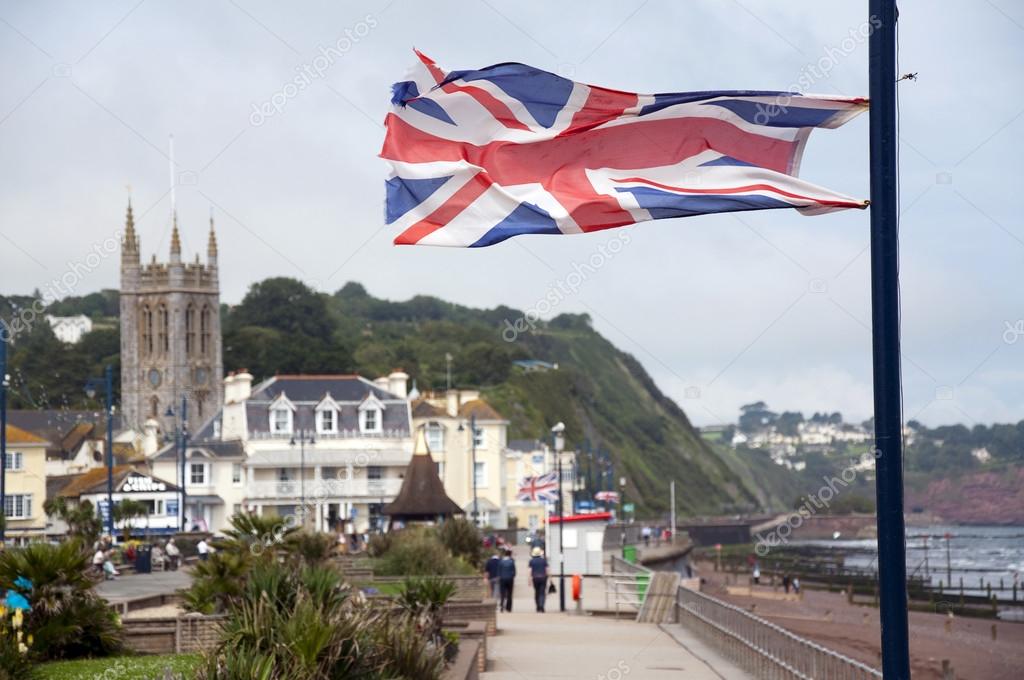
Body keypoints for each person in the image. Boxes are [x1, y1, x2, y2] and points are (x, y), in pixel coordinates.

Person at [528, 547, 549, 613]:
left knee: (537, 592)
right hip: (543, 578)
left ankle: (538, 606)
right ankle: (541, 606)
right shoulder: (544, 560)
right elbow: (547, 570)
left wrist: (529, 580)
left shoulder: (531, 561)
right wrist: (550, 578)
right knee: (542, 592)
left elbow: (530, 571)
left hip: (535, 578)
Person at [498, 547, 516, 613]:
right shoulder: (511, 562)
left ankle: (502, 605)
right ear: (510, 554)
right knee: (509, 593)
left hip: (502, 579)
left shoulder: (501, 562)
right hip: (510, 579)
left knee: (502, 593)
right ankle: (509, 608)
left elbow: (499, 571)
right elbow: (514, 572)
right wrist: (512, 576)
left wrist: (500, 577)